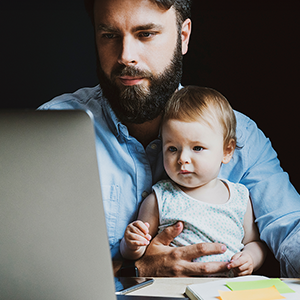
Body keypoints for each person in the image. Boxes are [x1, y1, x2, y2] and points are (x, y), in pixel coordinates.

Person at [38, 0, 300, 277]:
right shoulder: (49, 130)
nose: (126, 56)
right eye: (110, 36)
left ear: (183, 36)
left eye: (145, 34)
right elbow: (26, 258)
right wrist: (135, 268)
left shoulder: (239, 133)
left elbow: (291, 226)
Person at [120, 86, 267, 277]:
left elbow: (253, 243)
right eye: (172, 149)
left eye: (197, 148)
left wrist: (251, 258)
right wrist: (132, 243)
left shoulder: (239, 197)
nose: (183, 159)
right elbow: (138, 254)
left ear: (227, 151)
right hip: (174, 290)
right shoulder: (159, 198)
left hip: (226, 290)